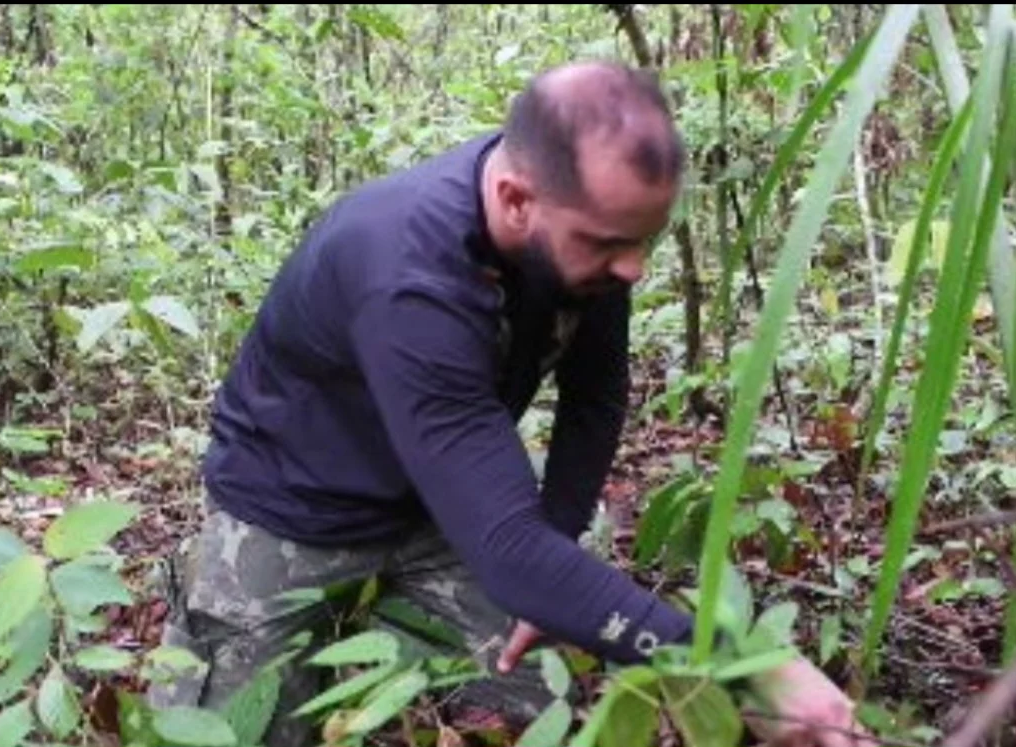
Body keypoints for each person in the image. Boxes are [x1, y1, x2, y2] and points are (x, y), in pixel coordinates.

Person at [149, 60, 871, 747]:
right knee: (242, 724)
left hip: (447, 506)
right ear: (515, 200)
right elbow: (508, 554)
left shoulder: (584, 229)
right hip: (297, 507)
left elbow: (593, 399)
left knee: (544, 691)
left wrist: (549, 549)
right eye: (610, 244)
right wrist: (739, 664)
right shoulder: (408, 274)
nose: (633, 269)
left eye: (644, 241)